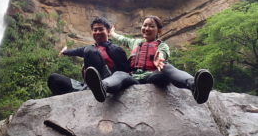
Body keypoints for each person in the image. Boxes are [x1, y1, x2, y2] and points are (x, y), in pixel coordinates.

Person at [85, 15, 214, 104]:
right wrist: (112, 33)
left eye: (151, 26)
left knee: (167, 68)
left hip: (153, 76)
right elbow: (121, 39)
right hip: (134, 78)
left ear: (159, 30)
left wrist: (160, 60)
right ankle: (102, 87)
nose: (146, 28)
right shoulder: (135, 42)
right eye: (144, 25)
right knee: (119, 74)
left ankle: (195, 86)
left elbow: (162, 54)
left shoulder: (162, 45)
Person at [47, 17, 137, 99]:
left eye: (101, 29)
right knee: (54, 79)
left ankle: (99, 88)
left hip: (108, 82)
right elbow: (77, 51)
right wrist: (64, 52)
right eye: (95, 30)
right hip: (87, 86)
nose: (97, 32)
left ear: (108, 32)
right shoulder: (91, 48)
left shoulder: (116, 50)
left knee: (89, 50)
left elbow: (123, 72)